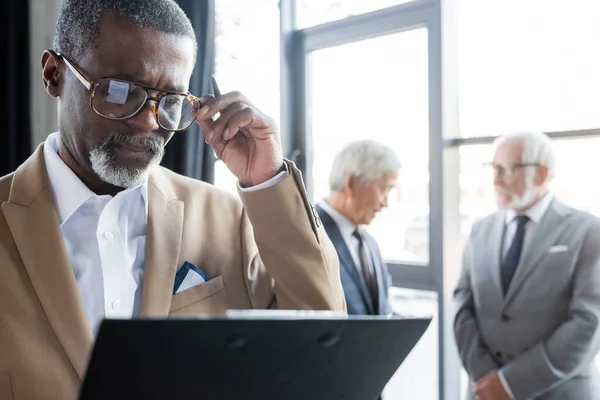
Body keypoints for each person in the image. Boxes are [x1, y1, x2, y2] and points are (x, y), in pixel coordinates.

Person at [0, 1, 345, 398]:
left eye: (170, 102)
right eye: (119, 91)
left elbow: (325, 350)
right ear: (54, 74)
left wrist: (268, 182)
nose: (149, 122)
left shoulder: (227, 219)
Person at [454, 131, 600, 400]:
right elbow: (462, 307)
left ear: (541, 174)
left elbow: (589, 323)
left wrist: (511, 384)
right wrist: (487, 379)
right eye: (494, 169)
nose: (496, 180)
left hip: (558, 392)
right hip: (485, 391)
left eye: (507, 169)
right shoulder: (480, 231)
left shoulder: (589, 232)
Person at [315, 140, 401, 316]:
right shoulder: (309, 234)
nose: (385, 203)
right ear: (351, 184)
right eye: (384, 189)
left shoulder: (369, 243)